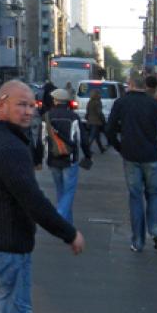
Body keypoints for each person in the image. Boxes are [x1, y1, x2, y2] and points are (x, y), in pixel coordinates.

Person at [0, 80, 85, 313]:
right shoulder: (10, 147)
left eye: (31, 105)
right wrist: (69, 233)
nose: (28, 111)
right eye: (21, 105)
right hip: (7, 246)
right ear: (2, 104)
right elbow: (32, 200)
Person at [105, 72, 157, 251]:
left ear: (129, 85)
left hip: (131, 156)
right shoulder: (153, 103)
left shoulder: (121, 103)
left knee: (135, 197)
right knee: (153, 194)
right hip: (151, 155)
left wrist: (120, 147)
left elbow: (109, 130)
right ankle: (156, 231)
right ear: (144, 86)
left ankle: (137, 241)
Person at [41, 86, 91, 224]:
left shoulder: (47, 117)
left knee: (60, 191)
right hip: (70, 159)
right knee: (69, 191)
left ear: (55, 100)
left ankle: (66, 226)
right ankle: (60, 216)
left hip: (52, 158)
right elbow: (82, 139)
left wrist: (40, 158)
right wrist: (87, 155)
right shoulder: (73, 117)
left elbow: (42, 139)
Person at [85, 89, 107, 154]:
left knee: (97, 136)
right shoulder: (98, 102)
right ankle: (87, 149)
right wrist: (103, 120)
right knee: (92, 136)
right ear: (97, 95)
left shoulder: (90, 102)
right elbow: (99, 112)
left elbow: (87, 112)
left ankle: (101, 148)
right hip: (96, 121)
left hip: (90, 121)